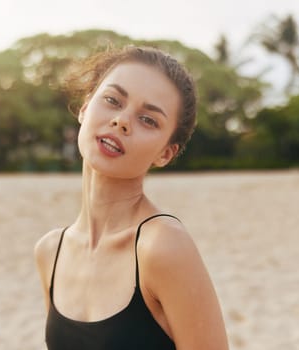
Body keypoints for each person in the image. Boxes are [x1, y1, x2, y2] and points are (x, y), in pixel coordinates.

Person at [34, 46, 229, 350]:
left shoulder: (163, 246)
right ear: (85, 107)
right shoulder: (50, 251)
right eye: (112, 100)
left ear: (166, 153)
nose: (122, 121)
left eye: (148, 120)